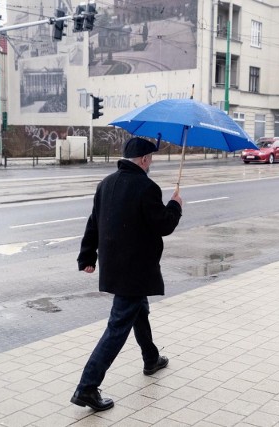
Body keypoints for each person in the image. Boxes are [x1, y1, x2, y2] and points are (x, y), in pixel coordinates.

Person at [71, 137, 183, 412]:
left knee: (138, 310)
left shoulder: (106, 184)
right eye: (151, 160)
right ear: (144, 160)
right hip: (135, 270)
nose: (151, 164)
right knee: (118, 326)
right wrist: (176, 205)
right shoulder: (146, 187)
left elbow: (93, 223)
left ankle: (151, 358)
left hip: (116, 267)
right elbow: (164, 225)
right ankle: (87, 387)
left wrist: (87, 257)